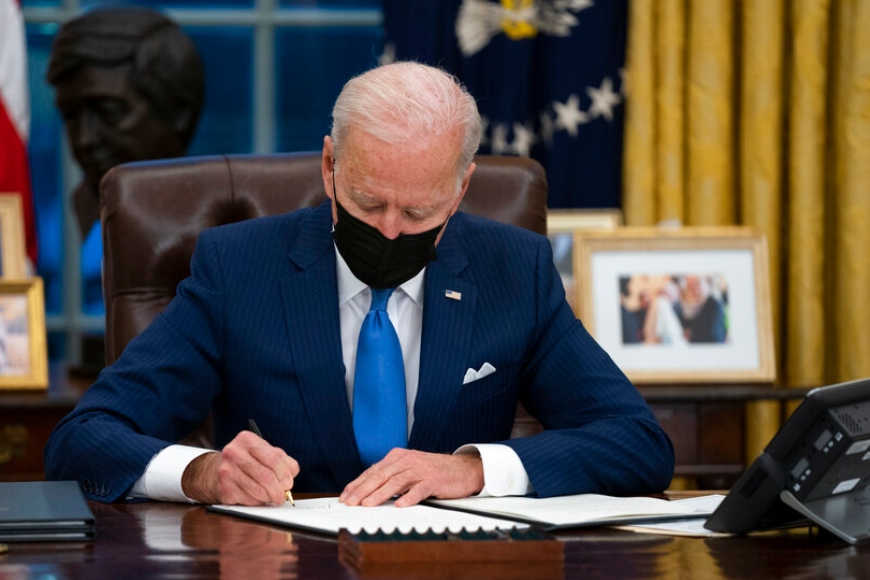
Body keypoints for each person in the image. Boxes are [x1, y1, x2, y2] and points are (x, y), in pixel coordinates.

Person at [45, 62, 674, 507]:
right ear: (329, 167)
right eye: (370, 204)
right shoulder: (239, 269)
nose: (393, 232)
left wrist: (476, 468)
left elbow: (638, 444)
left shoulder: (515, 271)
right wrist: (201, 472)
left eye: (420, 213)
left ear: (460, 189)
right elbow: (83, 440)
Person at [46, 7, 205, 240]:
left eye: (109, 112)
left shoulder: (219, 219)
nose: (83, 139)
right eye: (70, 116)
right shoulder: (75, 209)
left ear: (178, 113)